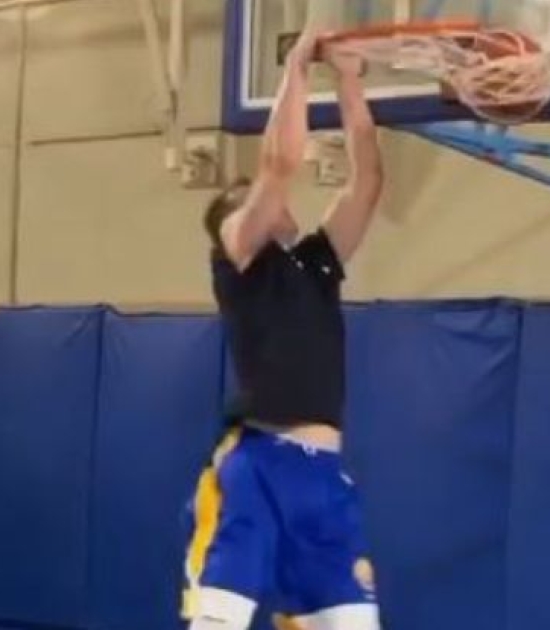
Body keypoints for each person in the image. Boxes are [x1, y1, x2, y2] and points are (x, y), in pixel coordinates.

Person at [181, 23, 383, 630]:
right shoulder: (239, 260)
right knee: (220, 621)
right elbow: (279, 162)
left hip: (321, 479)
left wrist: (348, 81)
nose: (269, 202)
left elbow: (368, 181)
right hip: (258, 467)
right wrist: (296, 65)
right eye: (248, 202)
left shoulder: (317, 262)